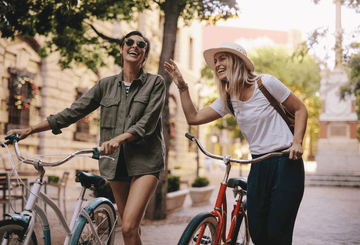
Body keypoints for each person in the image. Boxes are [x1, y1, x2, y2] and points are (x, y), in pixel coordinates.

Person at [7, 31, 166, 245]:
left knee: (128, 226)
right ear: (121, 48)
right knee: (130, 229)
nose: (134, 46)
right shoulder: (105, 85)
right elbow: (73, 112)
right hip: (115, 163)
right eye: (129, 42)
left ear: (145, 55)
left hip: (146, 162)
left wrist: (118, 140)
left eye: (141, 44)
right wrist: (31, 130)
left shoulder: (155, 83)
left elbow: (147, 123)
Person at [164, 42, 307, 245]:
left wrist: (297, 142)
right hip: (258, 164)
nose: (217, 64)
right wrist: (182, 85)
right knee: (257, 232)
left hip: (285, 161)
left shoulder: (265, 83)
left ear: (237, 61)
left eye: (222, 58)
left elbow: (300, 109)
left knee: (278, 234)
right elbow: (193, 117)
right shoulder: (228, 99)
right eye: (215, 61)